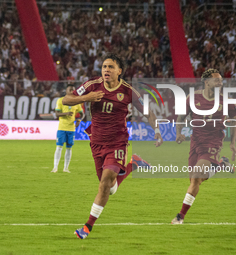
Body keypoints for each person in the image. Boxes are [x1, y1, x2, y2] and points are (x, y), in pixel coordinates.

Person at [62, 53, 163, 239]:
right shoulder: (92, 86)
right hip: (97, 142)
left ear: (119, 71)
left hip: (118, 142)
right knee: (108, 187)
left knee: (106, 182)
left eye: (110, 67)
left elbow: (148, 112)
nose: (106, 70)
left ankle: (87, 227)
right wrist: (87, 97)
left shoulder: (128, 91)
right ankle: (133, 164)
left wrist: (157, 131)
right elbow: (66, 100)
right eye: (104, 67)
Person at [171, 69, 236, 224]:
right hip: (196, 142)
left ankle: (180, 216)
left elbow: (235, 119)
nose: (220, 83)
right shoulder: (192, 98)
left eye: (221, 80)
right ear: (207, 82)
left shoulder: (226, 100)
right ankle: (220, 165)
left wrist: (232, 142)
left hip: (213, 142)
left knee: (195, 178)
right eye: (217, 80)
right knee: (196, 181)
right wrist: (178, 133)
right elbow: (181, 116)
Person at [51, 84, 84, 173]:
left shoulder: (77, 102)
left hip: (71, 129)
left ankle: (66, 168)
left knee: (69, 148)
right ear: (66, 91)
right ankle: (55, 167)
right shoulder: (61, 100)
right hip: (62, 128)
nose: (71, 92)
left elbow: (81, 114)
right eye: (70, 90)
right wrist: (66, 113)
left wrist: (79, 120)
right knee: (59, 147)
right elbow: (57, 114)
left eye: (73, 90)